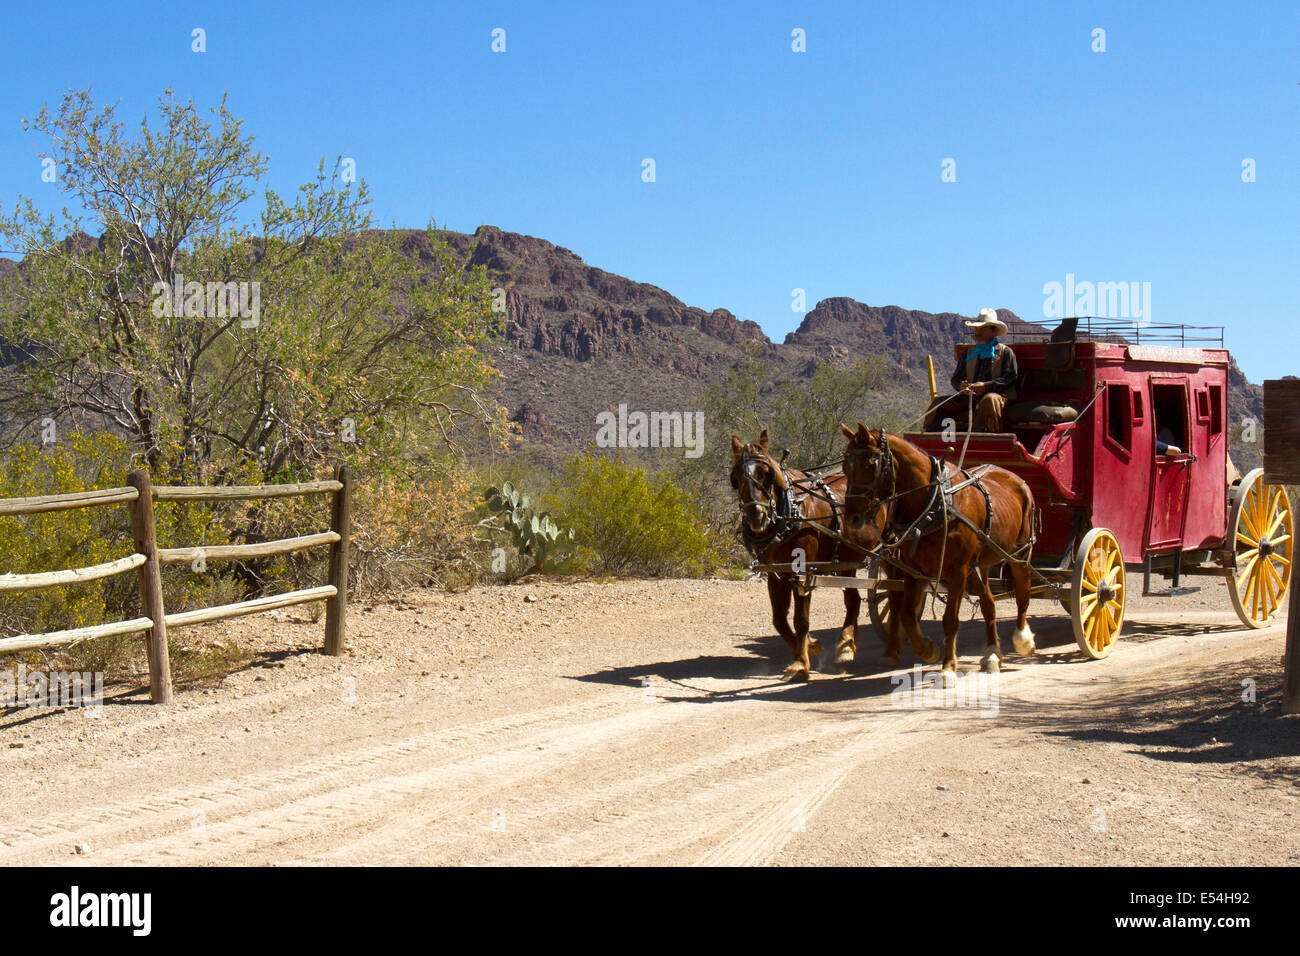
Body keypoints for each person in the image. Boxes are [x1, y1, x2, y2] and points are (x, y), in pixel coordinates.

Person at [924, 308, 1019, 432]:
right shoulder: (968, 353)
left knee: (989, 400)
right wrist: (962, 386)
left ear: (994, 330)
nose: (977, 332)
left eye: (982, 328)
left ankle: (983, 437)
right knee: (938, 404)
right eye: (976, 329)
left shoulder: (1005, 352)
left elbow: (1010, 377)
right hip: (969, 397)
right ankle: (933, 437)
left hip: (998, 398)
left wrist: (986, 386)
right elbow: (956, 379)